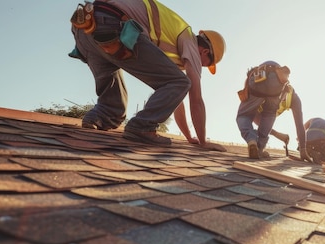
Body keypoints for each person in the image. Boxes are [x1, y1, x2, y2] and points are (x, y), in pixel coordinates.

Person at [69, 0, 226, 151]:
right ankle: (141, 128)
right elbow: (195, 98)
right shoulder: (189, 39)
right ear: (205, 52)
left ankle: (99, 117)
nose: (202, 67)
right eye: (206, 64)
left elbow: (175, 101)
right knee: (181, 82)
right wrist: (203, 142)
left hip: (85, 31)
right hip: (112, 27)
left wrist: (190, 137)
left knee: (113, 110)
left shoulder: (172, 44)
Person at [236, 61, 310, 161]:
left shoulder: (291, 96)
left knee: (244, 116)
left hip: (260, 78)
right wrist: (303, 149)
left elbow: (257, 120)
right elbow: (299, 124)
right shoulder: (292, 96)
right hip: (275, 83)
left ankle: (252, 141)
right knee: (269, 115)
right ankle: (259, 148)